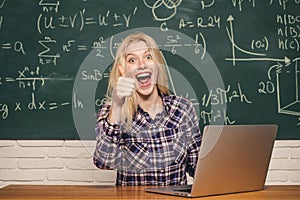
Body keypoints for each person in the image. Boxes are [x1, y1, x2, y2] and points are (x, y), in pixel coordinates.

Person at [93, 32, 202, 186]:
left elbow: (198, 166)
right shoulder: (111, 112)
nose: (142, 65)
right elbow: (104, 162)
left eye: (148, 57)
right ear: (123, 70)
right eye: (132, 60)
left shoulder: (182, 108)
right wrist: (117, 105)